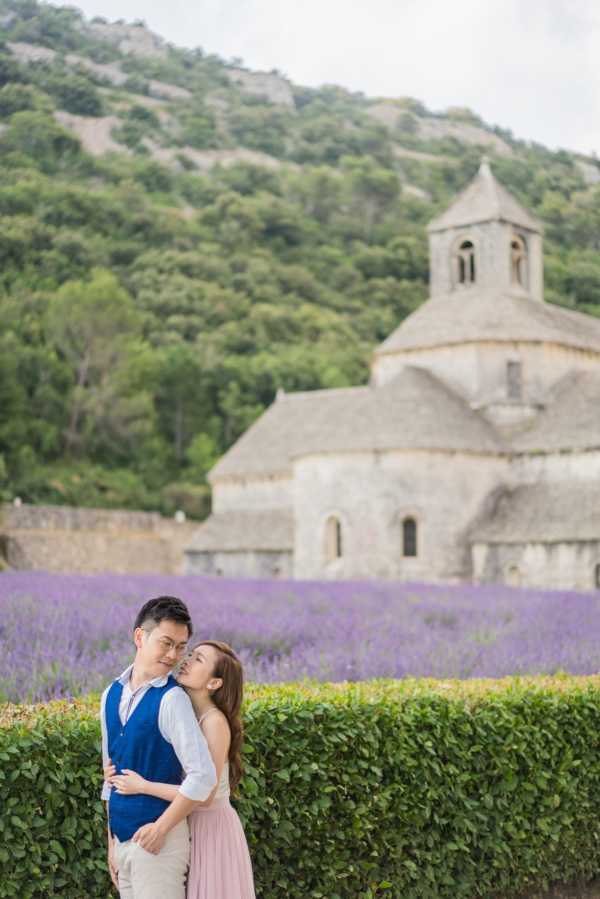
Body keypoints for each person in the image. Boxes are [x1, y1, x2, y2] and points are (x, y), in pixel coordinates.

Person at [106, 640, 256, 899]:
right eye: (190, 654)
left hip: (211, 829)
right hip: (185, 820)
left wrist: (144, 786)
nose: (185, 660)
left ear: (214, 683)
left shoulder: (214, 722)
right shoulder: (181, 711)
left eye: (198, 659)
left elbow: (205, 793)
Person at [100, 596, 217, 899]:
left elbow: (202, 777)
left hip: (159, 846)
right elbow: (110, 778)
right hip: (123, 844)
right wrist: (112, 843)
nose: (173, 655)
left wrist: (160, 828)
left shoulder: (172, 699)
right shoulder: (109, 695)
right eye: (166, 643)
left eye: (181, 647)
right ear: (140, 636)